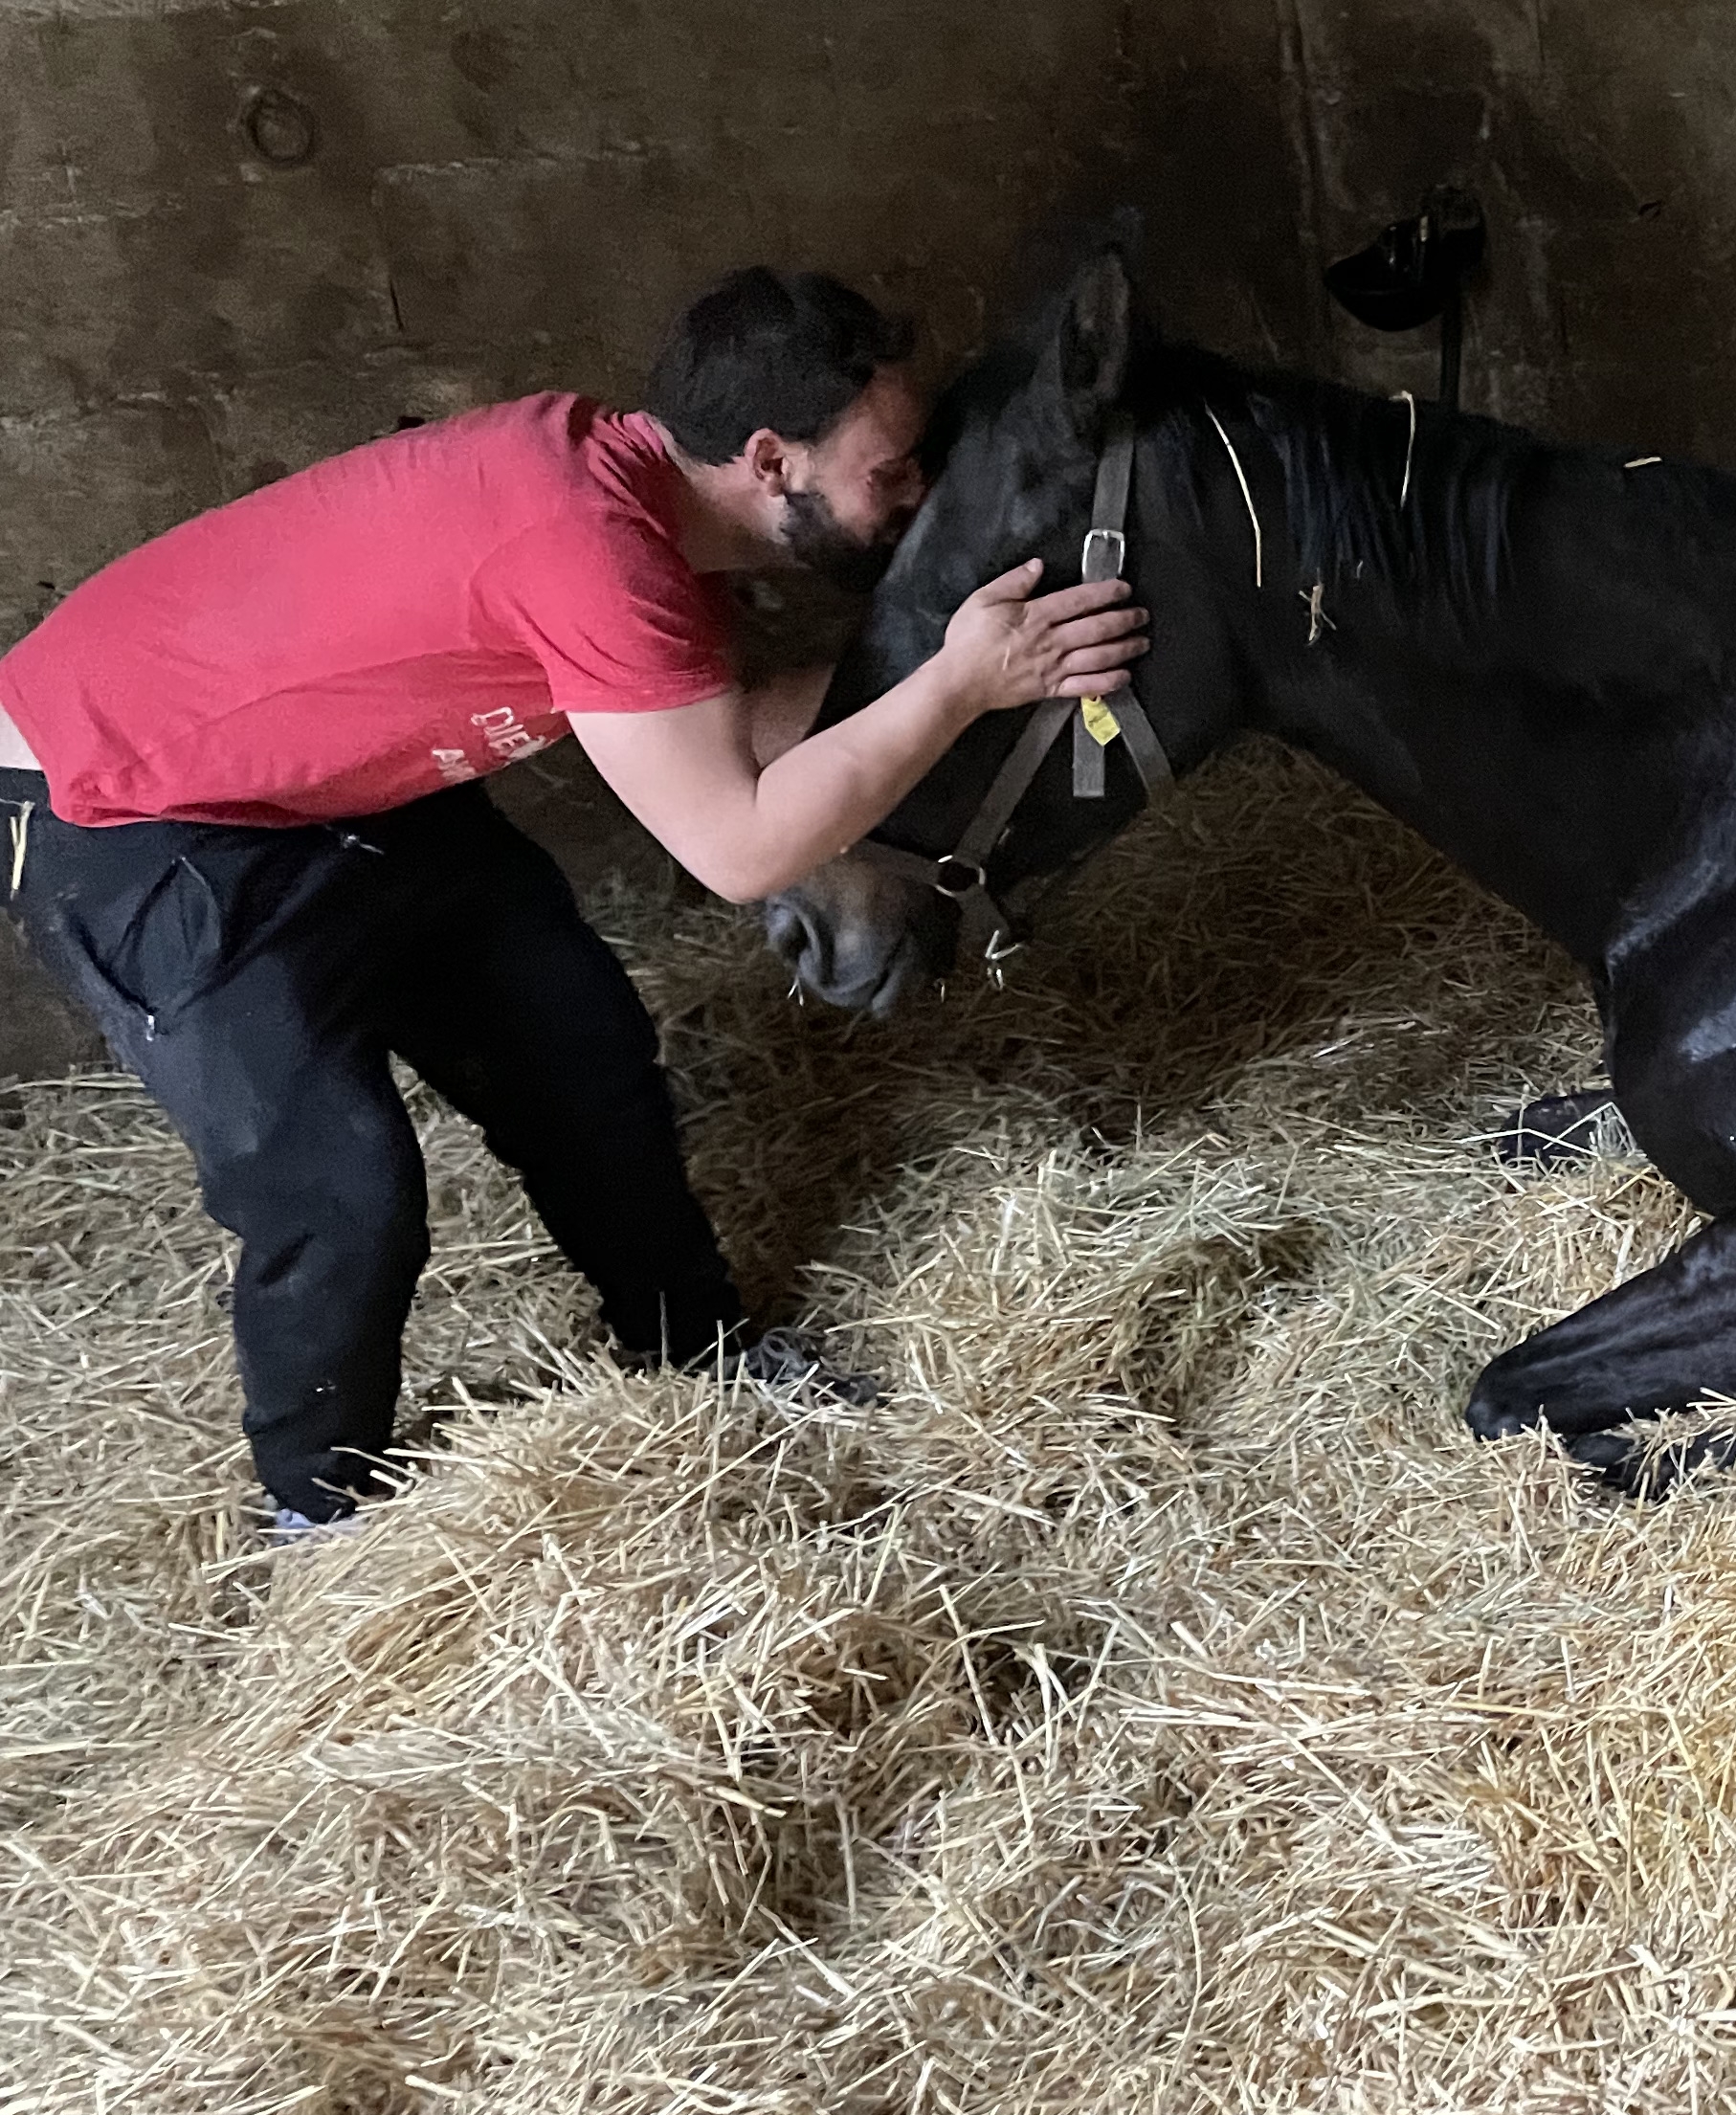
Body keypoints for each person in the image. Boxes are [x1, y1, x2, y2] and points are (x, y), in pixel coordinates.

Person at [0, 267, 1146, 1534]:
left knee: (577, 1038)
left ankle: (694, 1345)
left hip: (340, 777)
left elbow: (714, 737)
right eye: (890, 469)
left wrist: (955, 671)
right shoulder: (597, 554)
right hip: (124, 801)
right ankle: (317, 1514)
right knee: (337, 1184)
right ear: (770, 462)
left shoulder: (636, 507)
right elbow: (738, 847)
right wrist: (955, 688)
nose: (915, 490)